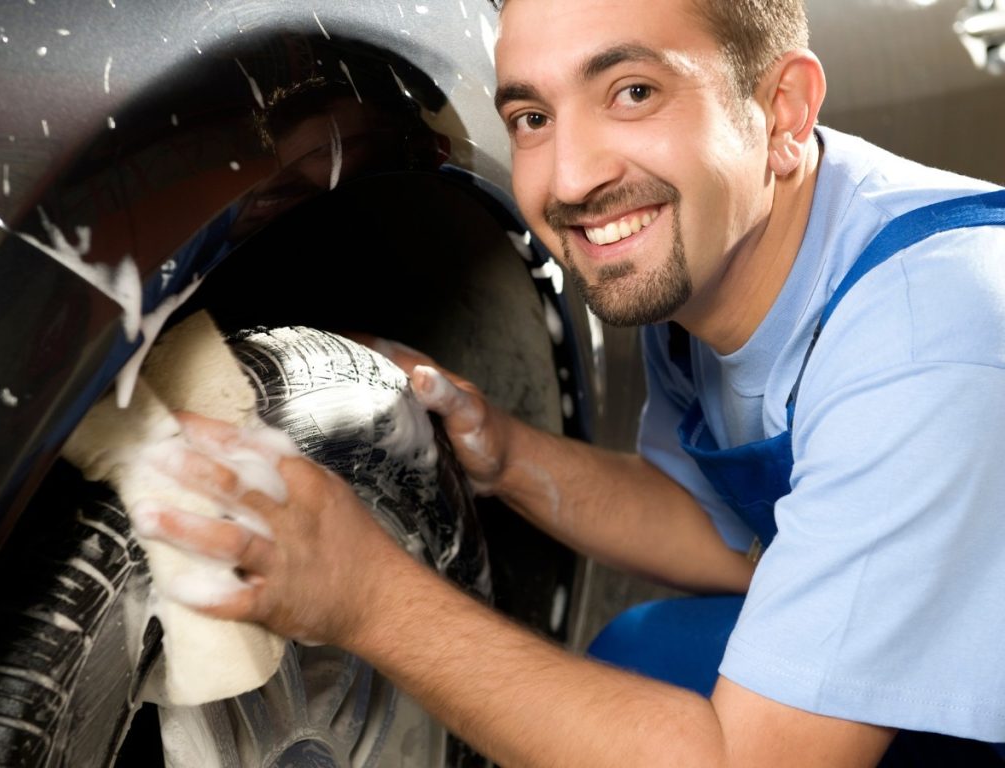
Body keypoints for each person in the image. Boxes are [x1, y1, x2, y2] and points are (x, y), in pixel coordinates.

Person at [133, 0, 1005, 764]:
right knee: (645, 655)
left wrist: (367, 598)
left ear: (781, 109)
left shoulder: (929, 338)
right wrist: (507, 457)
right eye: (531, 118)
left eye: (633, 92)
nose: (575, 179)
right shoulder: (724, 251)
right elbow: (729, 536)